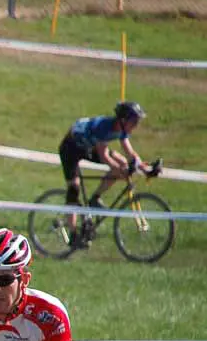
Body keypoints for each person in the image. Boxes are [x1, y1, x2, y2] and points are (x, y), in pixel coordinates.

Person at [59, 102, 151, 242]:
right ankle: (73, 234)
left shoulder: (121, 129)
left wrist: (146, 169)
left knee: (122, 163)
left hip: (88, 146)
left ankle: (95, 198)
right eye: (134, 122)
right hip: (70, 148)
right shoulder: (103, 128)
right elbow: (104, 157)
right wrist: (122, 171)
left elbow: (130, 153)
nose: (136, 125)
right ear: (123, 120)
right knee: (74, 189)